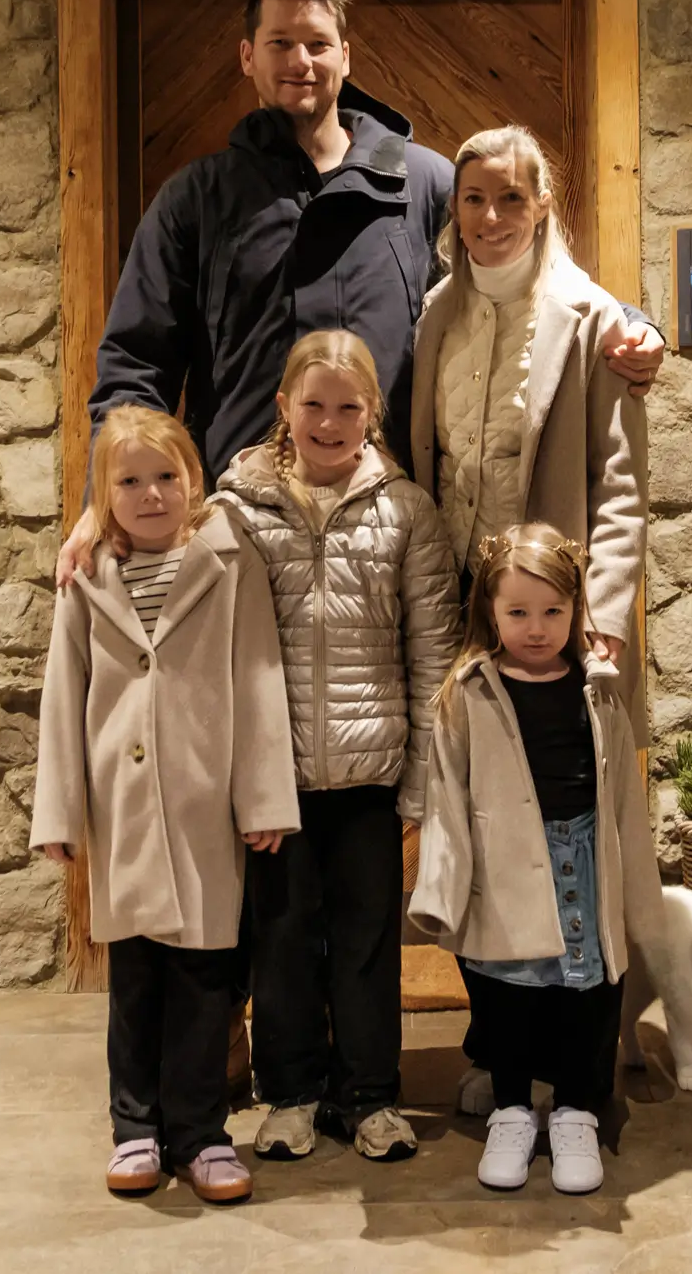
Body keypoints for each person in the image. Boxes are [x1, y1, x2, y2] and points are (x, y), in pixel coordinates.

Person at [60, 0, 663, 584]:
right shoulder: (197, 199)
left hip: (399, 537)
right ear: (247, 56)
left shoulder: (423, 185)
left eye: (318, 44)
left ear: (345, 56)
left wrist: (631, 324)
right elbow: (136, 365)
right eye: (280, 43)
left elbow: (524, 270)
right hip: (242, 532)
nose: (301, 60)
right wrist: (100, 503)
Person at [29, 405, 297, 1206]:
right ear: (103, 496)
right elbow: (61, 696)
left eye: (166, 477)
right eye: (129, 481)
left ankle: (202, 1131)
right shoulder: (87, 578)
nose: (150, 494)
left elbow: (258, 679)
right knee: (136, 978)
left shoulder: (228, 563)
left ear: (193, 481)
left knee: (206, 979)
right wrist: (59, 813)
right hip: (121, 813)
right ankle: (135, 1125)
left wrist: (264, 796)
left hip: (202, 806)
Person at [211, 330, 461, 1164]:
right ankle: (291, 1091)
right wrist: (238, 774)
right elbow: (216, 648)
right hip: (274, 772)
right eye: (313, 404)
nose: (329, 421)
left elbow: (432, 655)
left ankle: (369, 1096)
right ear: (284, 408)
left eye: (348, 406)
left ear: (372, 412)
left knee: (365, 941)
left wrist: (421, 780)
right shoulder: (238, 508)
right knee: (281, 936)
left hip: (369, 769)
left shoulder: (406, 509)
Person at [408, 524, 665, 1196]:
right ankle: (513, 1108)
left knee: (588, 989)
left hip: (582, 858)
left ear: (578, 609)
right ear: (489, 610)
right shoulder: (467, 692)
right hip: (502, 868)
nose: (536, 626)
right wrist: (441, 891)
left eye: (554, 610)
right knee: (508, 993)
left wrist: (639, 887)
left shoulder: (599, 690)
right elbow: (446, 798)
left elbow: (624, 802)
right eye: (518, 610)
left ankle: (578, 1108)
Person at [409, 124, 650, 721]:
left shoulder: (591, 315)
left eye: (511, 197)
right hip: (452, 598)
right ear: (456, 208)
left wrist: (605, 611)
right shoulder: (434, 313)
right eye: (475, 199)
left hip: (554, 607)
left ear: (542, 205)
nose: (492, 216)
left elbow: (621, 481)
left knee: (558, 789)